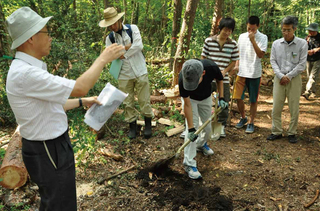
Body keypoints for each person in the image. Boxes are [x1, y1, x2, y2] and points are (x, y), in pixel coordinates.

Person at [5, 7, 124, 211]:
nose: (50, 37)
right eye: (46, 32)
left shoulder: (29, 69)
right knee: (59, 204)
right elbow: (79, 87)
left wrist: (82, 102)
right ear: (31, 38)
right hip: (47, 149)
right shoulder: (25, 74)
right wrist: (103, 58)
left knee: (59, 200)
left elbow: (51, 104)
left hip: (51, 147)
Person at [99, 7, 153, 139]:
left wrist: (121, 51)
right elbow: (110, 55)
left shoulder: (133, 29)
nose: (112, 26)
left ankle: (148, 125)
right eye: (109, 24)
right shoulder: (110, 38)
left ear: (119, 20)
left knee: (144, 99)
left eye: (113, 23)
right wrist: (126, 47)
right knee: (127, 102)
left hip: (140, 70)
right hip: (123, 74)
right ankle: (132, 126)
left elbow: (139, 46)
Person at [179, 59, 226, 179]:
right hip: (191, 101)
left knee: (208, 127)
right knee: (193, 130)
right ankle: (189, 163)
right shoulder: (183, 76)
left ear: (203, 73)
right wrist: (190, 129)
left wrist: (221, 97)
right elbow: (187, 105)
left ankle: (201, 144)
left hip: (206, 98)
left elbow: (220, 79)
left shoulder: (211, 67)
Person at [267, 16, 308, 143]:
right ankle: (276, 131)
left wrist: (289, 76)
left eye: (288, 30)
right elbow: (273, 61)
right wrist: (280, 75)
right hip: (279, 78)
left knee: (294, 106)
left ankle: (292, 132)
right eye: (283, 30)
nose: (286, 33)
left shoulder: (302, 43)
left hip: (294, 79)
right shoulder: (276, 44)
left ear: (294, 29)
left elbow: (302, 64)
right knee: (276, 106)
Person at [201, 17, 239, 139]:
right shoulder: (209, 41)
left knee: (224, 102)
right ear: (220, 29)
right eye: (225, 30)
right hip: (208, 78)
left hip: (224, 78)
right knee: (203, 99)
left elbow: (234, 61)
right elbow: (203, 58)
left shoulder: (233, 44)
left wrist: (225, 71)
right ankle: (202, 123)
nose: (227, 33)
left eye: (230, 31)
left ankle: (221, 125)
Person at [233, 16, 268, 133]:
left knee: (253, 100)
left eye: (253, 29)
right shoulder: (241, 36)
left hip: (254, 72)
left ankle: (251, 122)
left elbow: (260, 55)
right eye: (248, 28)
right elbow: (238, 52)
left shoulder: (263, 38)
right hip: (241, 71)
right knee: (238, 97)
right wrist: (237, 65)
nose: (250, 31)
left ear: (258, 26)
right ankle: (243, 117)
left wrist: (253, 40)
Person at [302, 23, 320, 100]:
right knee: (309, 76)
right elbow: (302, 47)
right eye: (309, 30)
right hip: (308, 59)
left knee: (313, 76)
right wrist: (307, 51)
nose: (310, 32)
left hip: (318, 59)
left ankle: (307, 92)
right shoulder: (307, 38)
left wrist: (316, 50)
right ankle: (313, 91)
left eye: (311, 30)